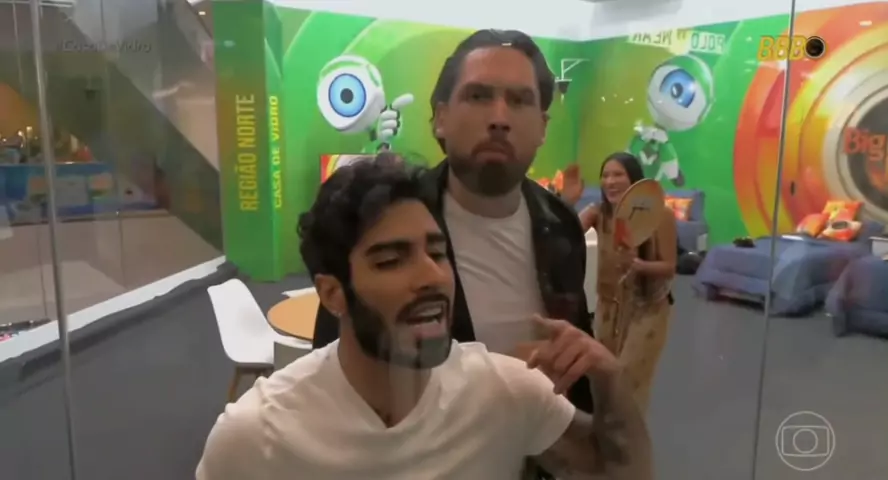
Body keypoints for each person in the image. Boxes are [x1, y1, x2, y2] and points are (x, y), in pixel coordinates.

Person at [196, 157, 652, 479]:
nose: (433, 276)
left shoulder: (506, 392)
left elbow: (622, 474)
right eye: (391, 260)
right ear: (333, 293)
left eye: (437, 253)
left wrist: (610, 380)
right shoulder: (255, 437)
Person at [311, 29, 595, 416]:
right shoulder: (384, 225)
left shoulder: (561, 224)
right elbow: (333, 378)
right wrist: (496, 380)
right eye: (478, 96)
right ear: (440, 119)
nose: (499, 118)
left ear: (543, 127)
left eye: (519, 100)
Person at [576, 153, 677, 412]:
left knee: (628, 383)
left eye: (618, 174)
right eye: (605, 175)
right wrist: (570, 201)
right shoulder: (599, 213)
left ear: (634, 179)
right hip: (608, 309)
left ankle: (628, 437)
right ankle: (606, 434)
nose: (610, 181)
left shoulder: (661, 215)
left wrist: (640, 266)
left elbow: (669, 267)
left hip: (646, 310)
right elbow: (568, 232)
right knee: (603, 378)